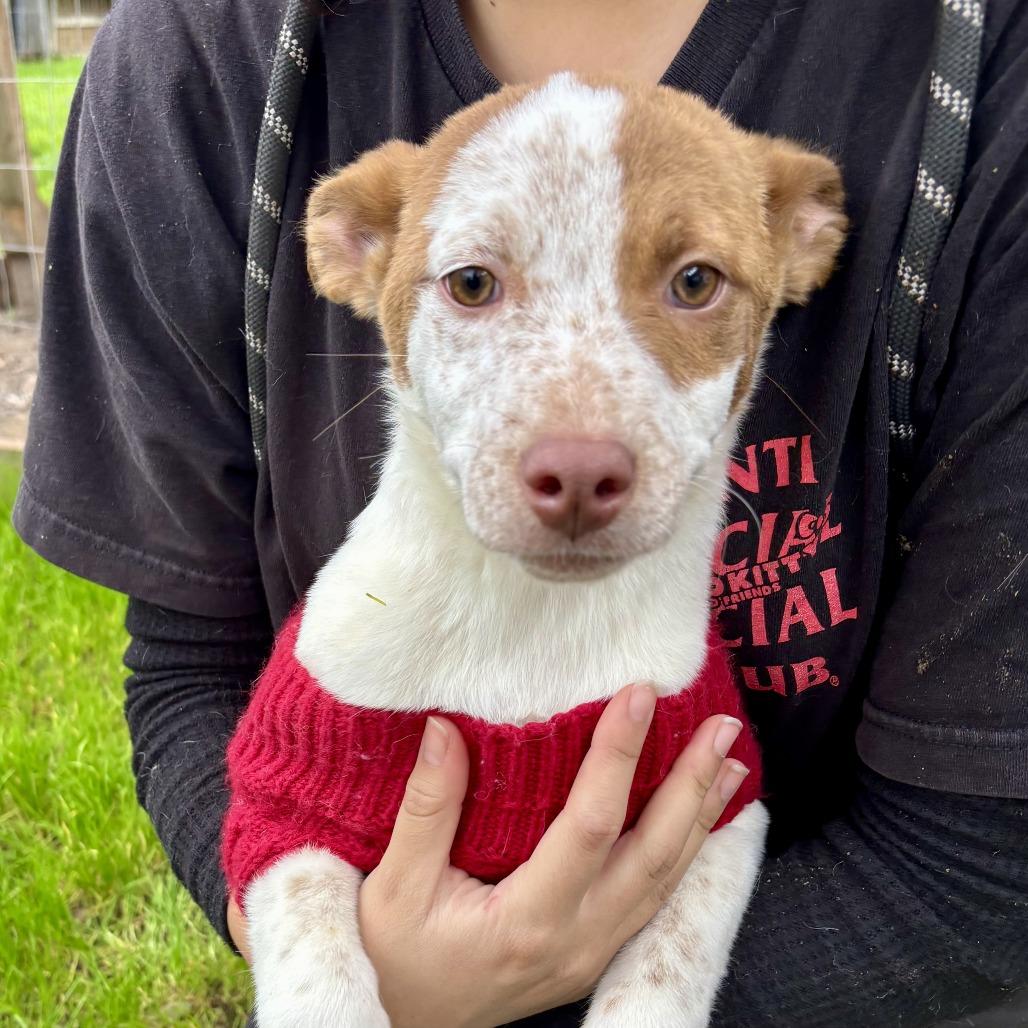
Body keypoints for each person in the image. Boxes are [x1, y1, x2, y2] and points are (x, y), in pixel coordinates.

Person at [14, 0, 1028, 1024]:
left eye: (689, 281)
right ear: (355, 247)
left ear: (801, 238)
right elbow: (195, 677)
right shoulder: (201, 59)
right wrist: (337, 966)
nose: (577, 443)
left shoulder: (983, 68)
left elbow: (974, 864)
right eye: (471, 282)